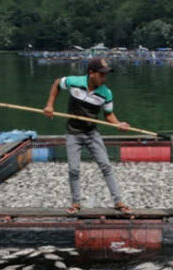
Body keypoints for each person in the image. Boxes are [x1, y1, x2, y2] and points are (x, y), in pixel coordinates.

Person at [43, 57, 131, 214]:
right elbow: (57, 83)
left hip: (92, 134)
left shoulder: (106, 93)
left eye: (106, 75)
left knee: (106, 166)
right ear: (91, 73)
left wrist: (118, 124)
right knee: (74, 169)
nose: (104, 78)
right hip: (73, 133)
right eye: (102, 74)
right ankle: (76, 203)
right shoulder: (74, 82)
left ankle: (118, 201)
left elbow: (109, 115)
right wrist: (50, 105)